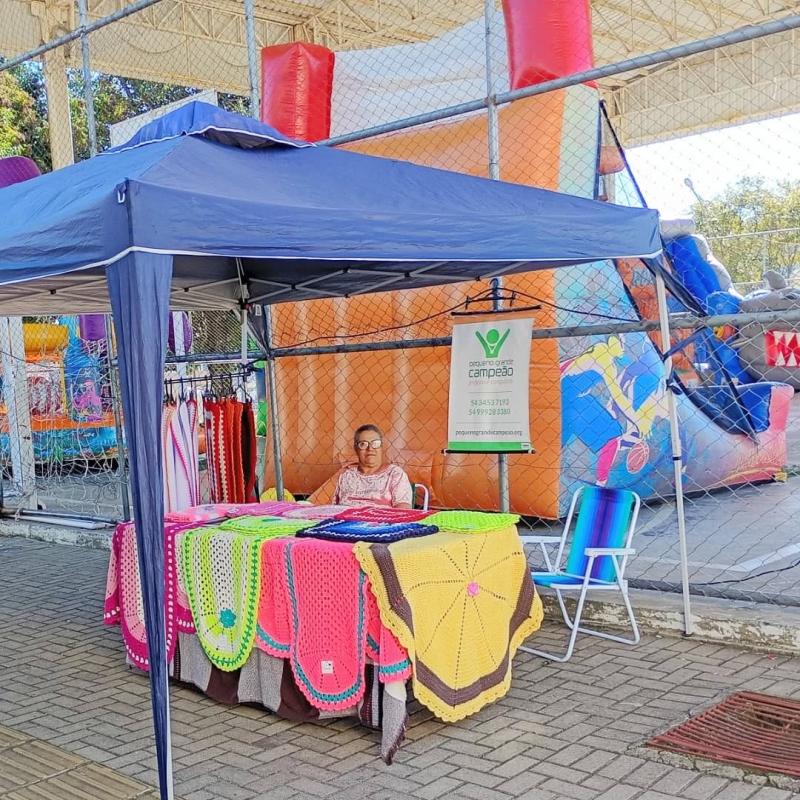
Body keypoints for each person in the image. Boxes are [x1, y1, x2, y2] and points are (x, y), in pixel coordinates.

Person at [332, 424, 413, 508]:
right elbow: (332, 508)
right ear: (356, 448)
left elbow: (403, 509)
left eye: (375, 443)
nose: (370, 448)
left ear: (381, 447)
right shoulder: (345, 475)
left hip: (381, 516)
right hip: (347, 516)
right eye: (363, 444)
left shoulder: (395, 474)